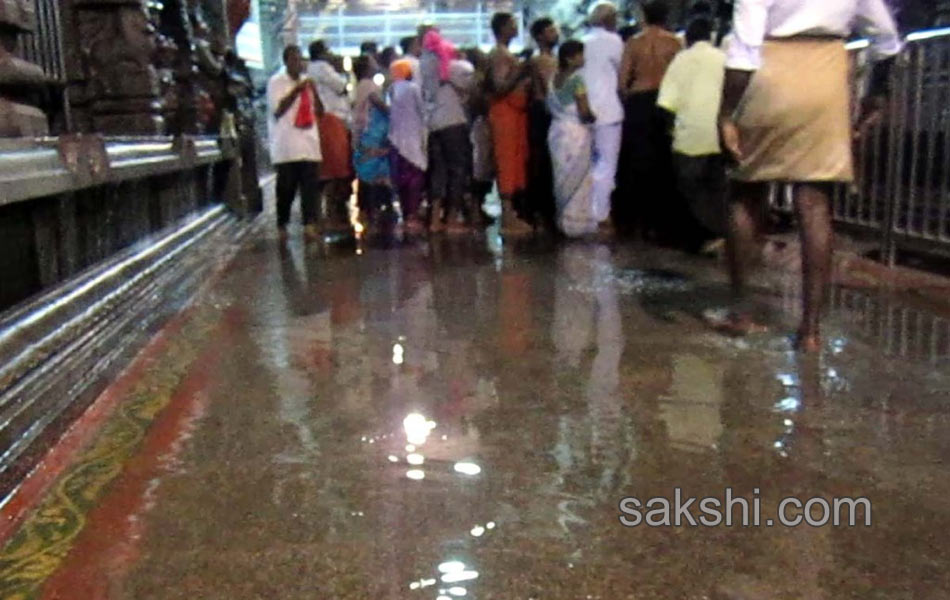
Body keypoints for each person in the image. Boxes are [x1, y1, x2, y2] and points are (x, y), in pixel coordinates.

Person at [715, 0, 901, 351]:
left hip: (770, 73)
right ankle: (810, 331)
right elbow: (887, 39)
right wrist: (876, 94)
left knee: (746, 192)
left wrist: (726, 114)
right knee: (815, 203)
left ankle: (741, 314)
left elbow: (743, 52)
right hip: (827, 75)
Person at [656, 17, 727, 252]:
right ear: (712, 36)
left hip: (689, 137)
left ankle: (704, 236)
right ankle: (722, 235)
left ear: (687, 38)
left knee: (692, 192)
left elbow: (666, 103)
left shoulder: (681, 60)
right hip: (719, 135)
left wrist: (669, 130)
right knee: (718, 189)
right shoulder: (723, 59)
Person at [617, 0, 682, 240]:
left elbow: (622, 82)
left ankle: (636, 220)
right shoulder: (675, 42)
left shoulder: (634, 43)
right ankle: (663, 221)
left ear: (644, 15)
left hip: (639, 102)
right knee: (664, 162)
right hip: (665, 102)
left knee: (637, 161)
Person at [420, 30, 475, 233]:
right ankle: (451, 218)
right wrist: (461, 58)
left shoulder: (424, 69)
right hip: (453, 122)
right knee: (457, 170)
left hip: (433, 124)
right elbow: (470, 78)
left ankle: (435, 219)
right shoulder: (452, 67)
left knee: (438, 171)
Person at [267, 44, 323, 241]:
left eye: (301, 60)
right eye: (294, 60)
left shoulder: (308, 83)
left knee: (310, 188)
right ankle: (282, 223)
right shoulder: (276, 82)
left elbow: (321, 112)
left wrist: (314, 91)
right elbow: (278, 110)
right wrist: (296, 91)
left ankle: (309, 224)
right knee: (286, 188)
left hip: (309, 144)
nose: (299, 64)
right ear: (286, 62)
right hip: (286, 145)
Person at [487, 12, 534, 234]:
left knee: (514, 161)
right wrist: (520, 72)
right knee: (505, 162)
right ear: (503, 28)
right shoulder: (499, 54)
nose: (516, 28)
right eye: (513, 24)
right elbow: (499, 87)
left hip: (514, 114)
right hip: (504, 114)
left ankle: (511, 212)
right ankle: (507, 214)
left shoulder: (506, 54)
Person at [581, 2, 624, 233]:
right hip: (609, 109)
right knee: (607, 165)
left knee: (586, 164)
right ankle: (602, 214)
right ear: (609, 20)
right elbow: (623, 72)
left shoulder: (582, 42)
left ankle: (583, 212)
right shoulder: (614, 42)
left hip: (583, 110)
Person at [548, 40, 598, 237]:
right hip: (575, 133)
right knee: (579, 178)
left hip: (556, 133)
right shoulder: (577, 80)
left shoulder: (553, 79)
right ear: (570, 58)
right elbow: (584, 111)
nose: (583, 59)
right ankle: (578, 224)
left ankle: (564, 221)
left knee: (561, 176)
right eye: (580, 55)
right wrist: (595, 117)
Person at [308, 40, 354, 232]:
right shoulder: (322, 68)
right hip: (332, 119)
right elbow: (343, 87)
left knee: (330, 166)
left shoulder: (314, 69)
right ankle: (331, 209)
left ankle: (327, 209)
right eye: (328, 50)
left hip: (328, 120)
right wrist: (344, 71)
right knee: (336, 165)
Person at [526, 17, 560, 231]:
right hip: (543, 111)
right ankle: (541, 210)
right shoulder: (541, 60)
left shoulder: (550, 58)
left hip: (547, 110)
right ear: (539, 36)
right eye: (550, 30)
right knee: (543, 161)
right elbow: (549, 90)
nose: (555, 33)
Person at [352, 54, 392, 231]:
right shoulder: (369, 85)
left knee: (367, 171)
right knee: (374, 170)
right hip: (372, 134)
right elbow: (380, 105)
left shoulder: (360, 85)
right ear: (367, 67)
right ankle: (373, 206)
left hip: (364, 134)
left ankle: (367, 207)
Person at [387, 59, 428, 233]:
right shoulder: (413, 89)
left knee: (401, 180)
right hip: (413, 139)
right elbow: (423, 111)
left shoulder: (392, 89)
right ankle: (412, 215)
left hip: (396, 140)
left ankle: (406, 214)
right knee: (414, 179)